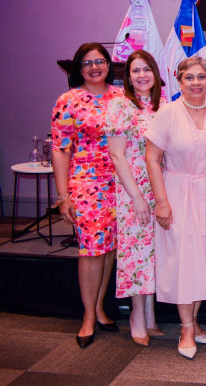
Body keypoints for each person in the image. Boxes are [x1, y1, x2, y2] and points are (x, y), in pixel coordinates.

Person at [145, 57, 206, 359]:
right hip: (177, 193)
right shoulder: (167, 114)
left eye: (201, 77)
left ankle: (195, 321)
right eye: (189, 77)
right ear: (179, 81)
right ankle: (186, 328)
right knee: (183, 261)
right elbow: (153, 159)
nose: (196, 83)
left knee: (203, 260)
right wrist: (161, 202)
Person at [51, 43, 123, 349]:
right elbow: (59, 148)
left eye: (100, 61)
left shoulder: (121, 97)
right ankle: (88, 318)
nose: (95, 67)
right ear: (79, 69)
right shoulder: (67, 101)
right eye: (88, 63)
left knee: (109, 249)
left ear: (108, 65)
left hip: (120, 184)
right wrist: (63, 195)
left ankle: (100, 309)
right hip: (85, 185)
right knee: (91, 251)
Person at [105, 50, 166, 347]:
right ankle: (137, 317)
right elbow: (117, 155)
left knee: (154, 253)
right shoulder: (120, 105)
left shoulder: (163, 106)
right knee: (137, 255)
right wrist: (137, 197)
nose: (142, 75)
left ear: (155, 73)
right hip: (134, 192)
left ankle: (152, 316)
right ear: (128, 76)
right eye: (135, 71)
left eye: (147, 70)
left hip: (161, 189)